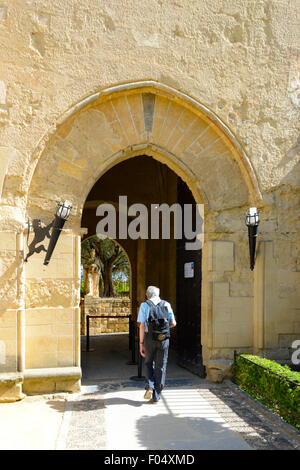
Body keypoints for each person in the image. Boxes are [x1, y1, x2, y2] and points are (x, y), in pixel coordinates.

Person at [137, 286, 176, 403]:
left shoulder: (145, 305)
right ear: (158, 295)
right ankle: (157, 395)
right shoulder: (166, 304)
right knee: (161, 365)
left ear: (147, 295)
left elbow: (142, 326)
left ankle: (149, 386)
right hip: (163, 338)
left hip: (149, 338)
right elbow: (173, 323)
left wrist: (141, 343)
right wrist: (164, 329)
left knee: (149, 362)